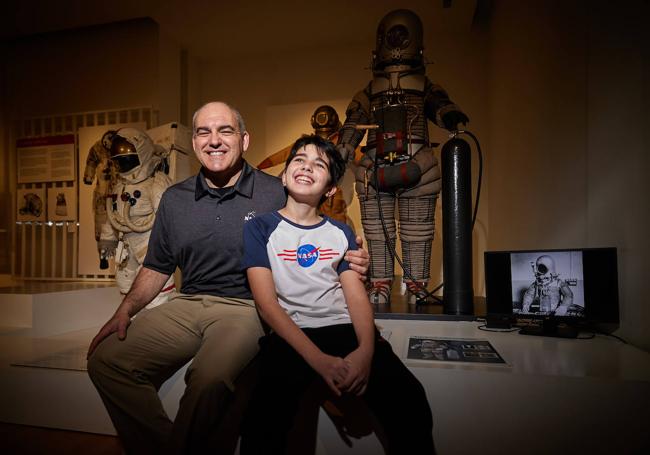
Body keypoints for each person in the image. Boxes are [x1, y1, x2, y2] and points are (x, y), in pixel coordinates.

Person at [86, 102, 369, 455]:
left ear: (244, 139)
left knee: (209, 380)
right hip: (186, 304)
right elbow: (157, 265)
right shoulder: (175, 199)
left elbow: (315, 233)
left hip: (247, 307)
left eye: (225, 131)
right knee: (105, 362)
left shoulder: (275, 191)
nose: (214, 140)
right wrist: (125, 310)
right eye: (204, 132)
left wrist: (351, 253)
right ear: (194, 143)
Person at [239, 134, 435, 454]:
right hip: (292, 333)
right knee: (262, 422)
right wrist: (319, 361)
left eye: (319, 164)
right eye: (299, 160)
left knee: (411, 401)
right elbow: (266, 303)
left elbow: (355, 296)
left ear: (330, 188)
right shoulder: (259, 228)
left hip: (343, 329)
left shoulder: (340, 232)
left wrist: (366, 352)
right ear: (284, 175)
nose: (306, 167)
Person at [336, 9, 469, 305]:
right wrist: (342, 151)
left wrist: (450, 115)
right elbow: (353, 122)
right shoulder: (369, 92)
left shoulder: (424, 87)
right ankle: (381, 283)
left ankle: (416, 286)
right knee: (377, 233)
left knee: (417, 231)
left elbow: (439, 105)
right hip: (374, 168)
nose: (396, 43)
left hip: (418, 167)